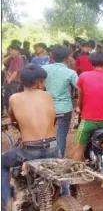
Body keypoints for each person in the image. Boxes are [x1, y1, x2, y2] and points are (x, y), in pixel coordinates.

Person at [1, 64, 60, 210]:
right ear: (40, 82)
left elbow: (13, 118)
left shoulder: (14, 98)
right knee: (60, 167)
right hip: (52, 147)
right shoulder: (47, 96)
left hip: (29, 150)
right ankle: (65, 194)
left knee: (2, 163)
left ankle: (7, 203)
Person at [72, 52, 103, 161]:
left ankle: (78, 175)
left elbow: (80, 98)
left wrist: (80, 108)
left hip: (88, 120)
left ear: (91, 63)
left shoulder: (83, 76)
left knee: (78, 149)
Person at [42, 45, 78, 157]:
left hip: (47, 107)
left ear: (51, 56)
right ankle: (59, 158)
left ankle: (48, 156)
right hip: (64, 107)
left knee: (48, 133)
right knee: (61, 135)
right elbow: (80, 87)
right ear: (67, 58)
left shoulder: (43, 69)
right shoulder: (70, 73)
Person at [3, 44, 25, 112]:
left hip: (14, 82)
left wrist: (9, 81)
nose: (10, 52)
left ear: (18, 51)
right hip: (11, 81)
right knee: (8, 99)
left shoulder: (18, 59)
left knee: (11, 99)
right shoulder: (13, 58)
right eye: (10, 50)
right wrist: (10, 55)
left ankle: (14, 114)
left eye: (12, 50)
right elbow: (3, 61)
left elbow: (16, 72)